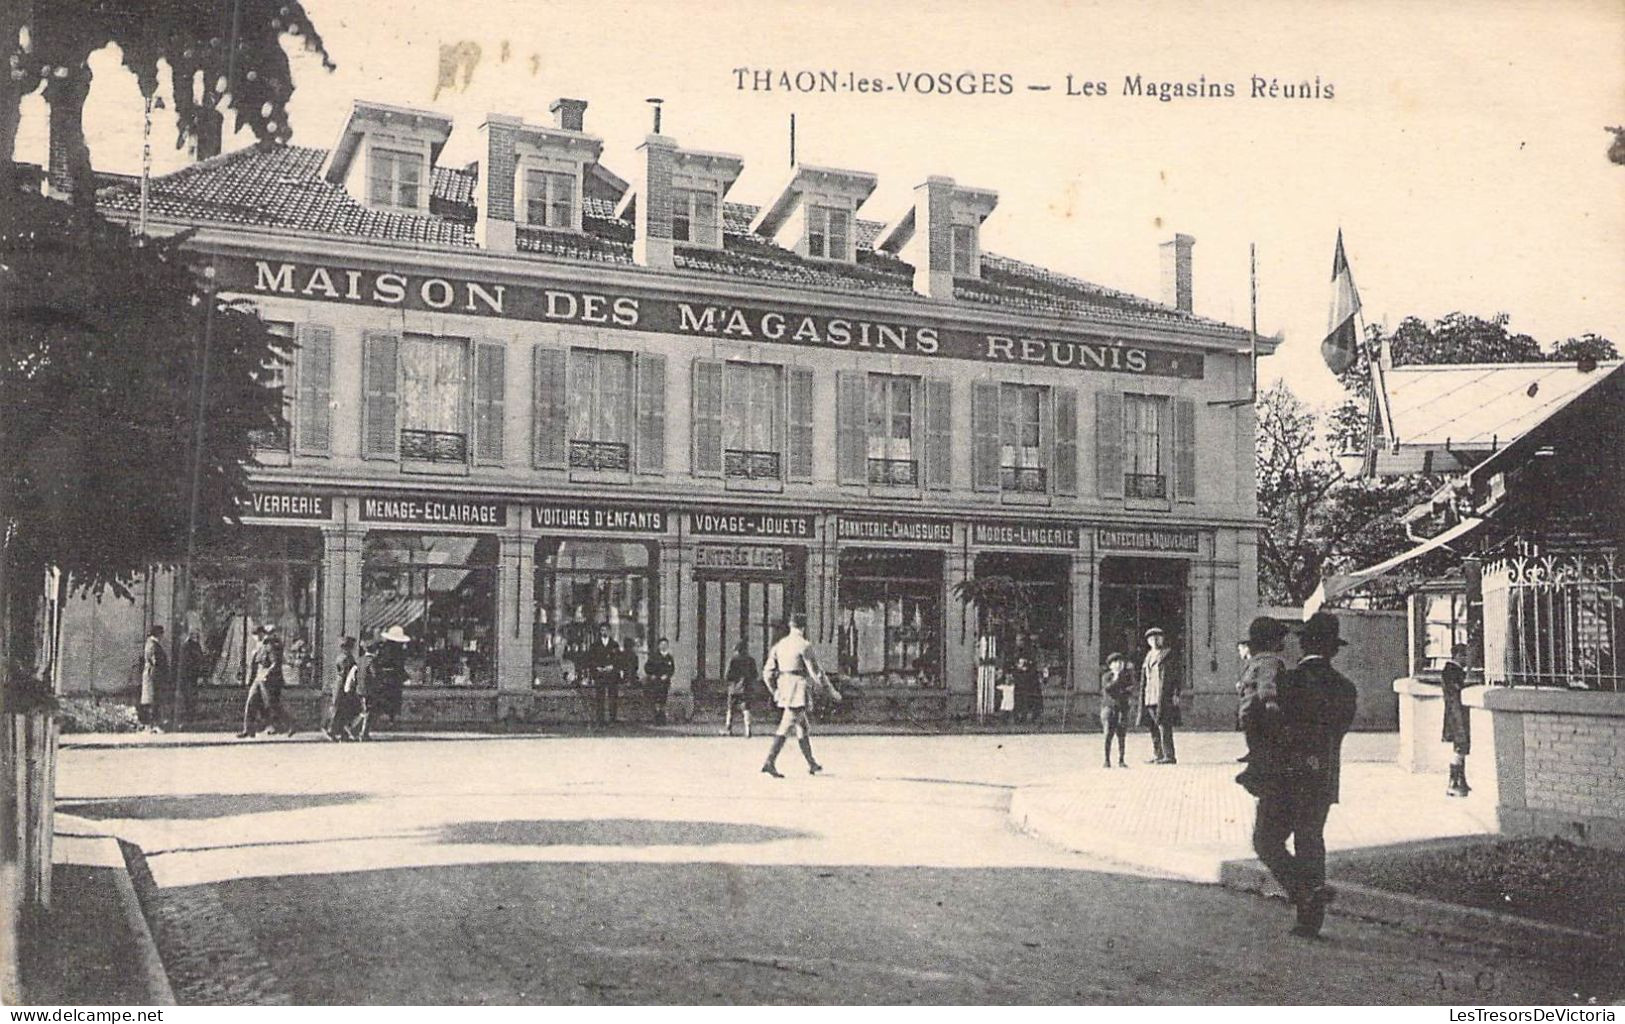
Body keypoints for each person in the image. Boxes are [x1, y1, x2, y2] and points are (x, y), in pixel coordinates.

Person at [1250, 611, 1358, 939]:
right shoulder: (1346, 689)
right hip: (1322, 776)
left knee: (1266, 840)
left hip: (1284, 776)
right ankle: (1310, 918)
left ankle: (1303, 892)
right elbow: (1337, 731)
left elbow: (1265, 723)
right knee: (1310, 839)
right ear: (1334, 650)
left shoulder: (1288, 681)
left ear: (1303, 644)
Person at [760, 613, 839, 777]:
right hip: (798, 688)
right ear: (803, 627)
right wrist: (831, 691)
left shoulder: (780, 645)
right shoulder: (804, 645)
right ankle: (769, 761)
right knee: (787, 724)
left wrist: (774, 690)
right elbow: (816, 673)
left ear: (790, 625)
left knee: (802, 726)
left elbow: (767, 672)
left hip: (784, 686)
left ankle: (812, 763)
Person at [1234, 616, 1290, 792]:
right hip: (1261, 712)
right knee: (1265, 745)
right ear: (1272, 641)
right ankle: (1256, 772)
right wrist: (1271, 701)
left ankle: (1254, 770)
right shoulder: (1271, 661)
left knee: (1256, 743)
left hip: (1248, 712)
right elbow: (1267, 684)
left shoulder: (1256, 662)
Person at [238, 625, 294, 737]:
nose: (256, 638)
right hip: (258, 679)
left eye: (258, 635)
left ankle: (291, 725)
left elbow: (275, 663)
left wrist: (266, 674)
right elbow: (255, 664)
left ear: (262, 634)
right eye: (254, 636)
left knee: (272, 704)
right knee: (251, 701)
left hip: (266, 680)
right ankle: (248, 730)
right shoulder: (259, 646)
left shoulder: (269, 645)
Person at [1137, 627, 1179, 764]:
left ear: (1162, 639)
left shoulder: (1167, 655)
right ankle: (1158, 754)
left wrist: (1176, 693)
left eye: (1158, 637)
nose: (1154, 640)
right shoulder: (1148, 656)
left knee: (1164, 725)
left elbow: (1176, 677)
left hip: (1163, 696)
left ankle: (1169, 755)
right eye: (1151, 638)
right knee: (1153, 726)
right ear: (1148, 641)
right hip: (1150, 696)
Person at [1440, 644, 1477, 797]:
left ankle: (1460, 780)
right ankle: (1454, 782)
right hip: (1457, 715)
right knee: (1460, 748)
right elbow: (1457, 691)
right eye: (1465, 656)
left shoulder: (1452, 671)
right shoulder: (1452, 671)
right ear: (1458, 656)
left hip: (1456, 714)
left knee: (1461, 747)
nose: (1468, 660)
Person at [368, 626, 410, 735]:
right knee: (392, 700)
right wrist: (405, 676)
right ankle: (390, 720)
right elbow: (399, 666)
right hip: (393, 679)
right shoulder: (398, 651)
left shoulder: (382, 648)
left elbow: (377, 662)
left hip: (383, 678)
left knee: (382, 700)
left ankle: (377, 720)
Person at [1099, 652, 1136, 768]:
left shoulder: (1127, 676)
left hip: (1122, 708)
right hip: (1109, 709)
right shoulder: (1106, 676)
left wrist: (1123, 690)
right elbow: (1108, 688)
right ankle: (1106, 760)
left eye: (1120, 662)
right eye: (1115, 662)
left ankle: (1121, 759)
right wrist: (1116, 678)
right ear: (1110, 665)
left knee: (1122, 734)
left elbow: (1130, 689)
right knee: (1108, 734)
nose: (1119, 664)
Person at [582, 624, 622, 725]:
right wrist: (597, 667)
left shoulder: (614, 645)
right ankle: (600, 719)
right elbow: (591, 659)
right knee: (600, 696)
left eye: (606, 630)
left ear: (609, 631)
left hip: (611, 674)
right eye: (602, 630)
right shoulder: (595, 645)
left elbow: (618, 659)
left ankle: (612, 719)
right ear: (600, 632)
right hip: (600, 674)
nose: (604, 632)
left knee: (613, 696)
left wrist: (612, 666)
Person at [325, 637, 359, 740]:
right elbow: (346, 673)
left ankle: (341, 731)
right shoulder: (346, 658)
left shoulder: (342, 657)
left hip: (341, 684)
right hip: (343, 685)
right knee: (340, 708)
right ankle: (332, 730)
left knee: (343, 709)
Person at [722, 640, 757, 737]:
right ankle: (748, 729)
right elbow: (755, 674)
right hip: (746, 687)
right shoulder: (751, 660)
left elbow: (727, 675)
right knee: (746, 709)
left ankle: (728, 729)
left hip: (734, 688)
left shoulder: (733, 660)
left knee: (730, 709)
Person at [138, 625, 169, 731]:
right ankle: (153, 725)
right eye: (162, 633)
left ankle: (151, 725)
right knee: (154, 701)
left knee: (152, 701)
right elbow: (155, 661)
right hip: (154, 677)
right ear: (158, 634)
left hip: (152, 676)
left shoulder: (151, 644)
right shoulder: (153, 645)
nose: (163, 636)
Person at [645, 637, 675, 725]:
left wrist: (667, 675)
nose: (663, 646)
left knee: (663, 700)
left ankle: (662, 719)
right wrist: (652, 675)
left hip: (665, 682)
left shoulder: (669, 657)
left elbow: (672, 669)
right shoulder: (654, 657)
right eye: (662, 645)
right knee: (656, 700)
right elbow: (647, 667)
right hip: (656, 682)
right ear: (658, 646)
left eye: (665, 645)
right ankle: (656, 719)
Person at [1011, 652, 1042, 726]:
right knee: (1019, 704)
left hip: (1027, 690)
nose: (1021, 664)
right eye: (1020, 663)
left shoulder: (1030, 672)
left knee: (1026, 704)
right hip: (1019, 690)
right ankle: (1018, 719)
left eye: (1023, 663)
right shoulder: (1017, 672)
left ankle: (1027, 718)